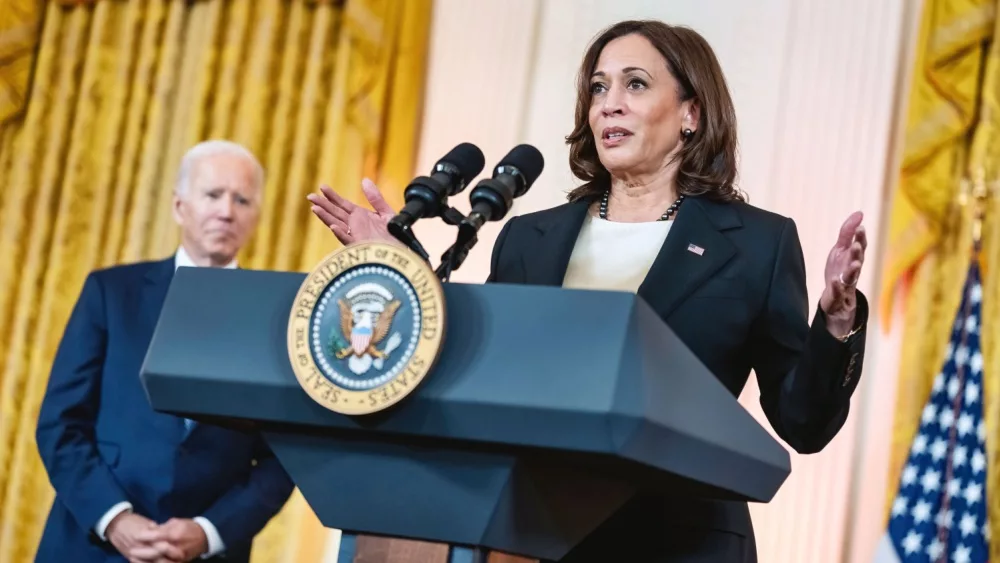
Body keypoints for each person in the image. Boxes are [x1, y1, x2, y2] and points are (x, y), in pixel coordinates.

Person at [307, 20, 868, 563]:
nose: (609, 103)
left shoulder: (754, 244)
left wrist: (836, 322)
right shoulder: (529, 237)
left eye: (636, 84)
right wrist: (404, 269)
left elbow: (803, 423)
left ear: (691, 114)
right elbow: (479, 366)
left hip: (681, 542)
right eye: (599, 87)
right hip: (531, 535)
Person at [35, 140, 295, 563]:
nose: (226, 211)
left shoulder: (279, 322)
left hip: (206, 552)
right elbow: (60, 425)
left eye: (242, 199)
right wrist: (115, 519)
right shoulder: (111, 293)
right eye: (213, 195)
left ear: (256, 216)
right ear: (179, 206)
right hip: (91, 543)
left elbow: (281, 460)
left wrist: (208, 532)